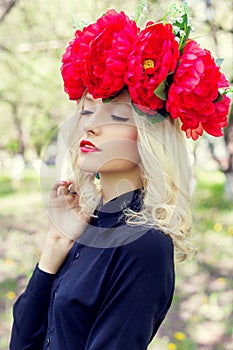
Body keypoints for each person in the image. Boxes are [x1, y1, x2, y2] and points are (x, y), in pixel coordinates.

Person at [10, 5, 230, 350]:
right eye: (86, 111)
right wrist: (55, 244)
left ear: (149, 138)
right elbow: (23, 342)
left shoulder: (145, 245)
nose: (91, 124)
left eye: (116, 115)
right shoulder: (89, 221)